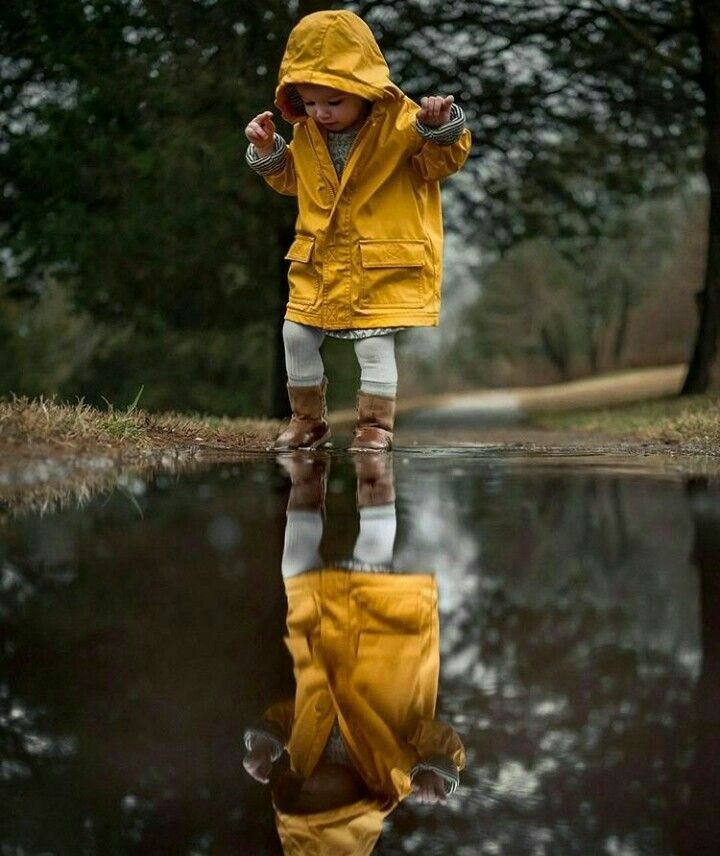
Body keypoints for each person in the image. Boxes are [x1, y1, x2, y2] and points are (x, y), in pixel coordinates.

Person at [244, 10, 471, 452]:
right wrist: (269, 148)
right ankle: (307, 420)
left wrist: (440, 129)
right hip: (320, 258)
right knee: (295, 333)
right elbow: (294, 180)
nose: (320, 113)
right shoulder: (307, 134)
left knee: (373, 343)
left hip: (378, 258)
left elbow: (438, 164)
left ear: (363, 88)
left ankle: (375, 427)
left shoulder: (406, 125)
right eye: (309, 103)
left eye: (333, 102)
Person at [242, 452, 466, 854]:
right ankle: (375, 458)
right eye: (321, 801)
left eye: (301, 797)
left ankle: (305, 471)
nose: (311, 785)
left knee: (295, 565)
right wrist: (435, 768)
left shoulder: (303, 759)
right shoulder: (394, 773)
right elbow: (436, 736)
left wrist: (266, 743)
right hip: (378, 641)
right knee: (372, 551)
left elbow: (288, 714)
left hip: (321, 637)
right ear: (353, 807)